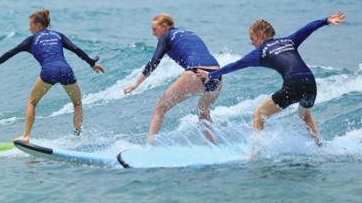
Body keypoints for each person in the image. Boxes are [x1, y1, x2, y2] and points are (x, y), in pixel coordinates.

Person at [196, 11, 346, 146]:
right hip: (310, 83)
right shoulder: (289, 41)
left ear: (260, 34)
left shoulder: (261, 52)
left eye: (252, 38)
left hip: (294, 84)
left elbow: (236, 65)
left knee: (258, 115)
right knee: (305, 114)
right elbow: (307, 28)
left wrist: (210, 75)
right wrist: (326, 20)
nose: (251, 42)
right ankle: (319, 144)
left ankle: (256, 152)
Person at [0, 9, 105, 142]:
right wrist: (92, 64)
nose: (29, 28)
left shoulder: (31, 40)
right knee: (77, 104)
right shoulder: (58, 35)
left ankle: (26, 136)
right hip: (66, 70)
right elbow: (76, 49)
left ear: (37, 25)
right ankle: (78, 135)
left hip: (49, 71)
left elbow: (11, 52)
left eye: (30, 25)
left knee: (32, 102)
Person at [123, 13, 222, 144]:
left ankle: (149, 148)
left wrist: (135, 84)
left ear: (164, 27)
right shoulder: (189, 33)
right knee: (203, 112)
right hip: (217, 75)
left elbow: (154, 61)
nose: (153, 33)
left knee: (160, 108)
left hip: (196, 72)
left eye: (154, 29)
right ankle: (215, 146)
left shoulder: (166, 36)